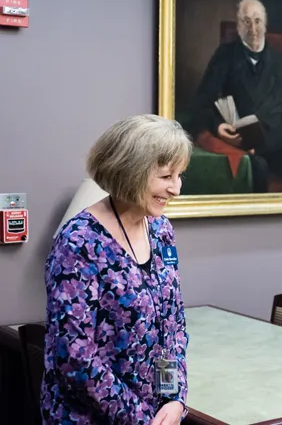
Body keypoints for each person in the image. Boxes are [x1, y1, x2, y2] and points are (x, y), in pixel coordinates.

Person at [41, 114, 192, 425]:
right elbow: (75, 358)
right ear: (131, 171)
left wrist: (175, 398)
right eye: (166, 177)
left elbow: (172, 327)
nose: (176, 189)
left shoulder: (161, 230)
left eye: (180, 176)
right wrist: (140, 418)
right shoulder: (79, 242)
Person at [187, 0, 282, 193]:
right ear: (238, 26)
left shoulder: (281, 62)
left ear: (265, 24)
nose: (253, 28)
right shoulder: (225, 56)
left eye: (257, 21)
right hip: (241, 143)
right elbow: (201, 103)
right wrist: (218, 126)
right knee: (256, 169)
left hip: (278, 143)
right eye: (246, 21)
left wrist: (267, 146)